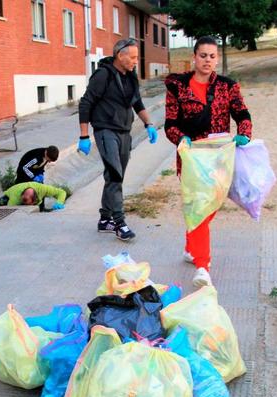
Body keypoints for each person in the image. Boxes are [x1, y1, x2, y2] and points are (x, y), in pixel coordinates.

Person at [164, 35, 253, 287]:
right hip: (191, 159)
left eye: (212, 56)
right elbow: (170, 123)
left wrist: (244, 132)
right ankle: (203, 266)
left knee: (207, 208)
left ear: (217, 59)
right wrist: (180, 138)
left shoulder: (228, 87)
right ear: (194, 57)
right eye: (203, 55)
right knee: (199, 209)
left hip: (218, 158)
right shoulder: (177, 87)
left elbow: (242, 113)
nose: (207, 60)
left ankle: (191, 246)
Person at [78, 38, 158, 242]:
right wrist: (84, 136)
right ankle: (119, 223)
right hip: (105, 131)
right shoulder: (103, 75)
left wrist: (149, 124)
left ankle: (105, 219)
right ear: (119, 55)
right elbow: (86, 103)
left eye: (136, 57)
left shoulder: (130, 77)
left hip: (124, 131)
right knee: (114, 175)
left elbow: (137, 102)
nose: (135, 61)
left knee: (115, 177)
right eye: (131, 57)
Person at [1, 181, 67, 210]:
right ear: (21, 196)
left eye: (28, 204)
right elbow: (8, 210)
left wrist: (59, 202)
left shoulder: (43, 188)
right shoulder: (15, 198)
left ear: (34, 200)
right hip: (6, 196)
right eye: (25, 204)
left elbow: (62, 192)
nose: (27, 206)